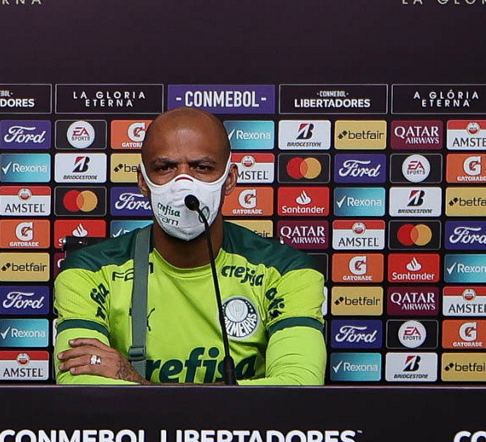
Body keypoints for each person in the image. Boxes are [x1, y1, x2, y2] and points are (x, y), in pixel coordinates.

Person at [53, 107, 326, 385]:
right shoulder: (90, 270)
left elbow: (298, 386)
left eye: (202, 167)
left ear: (230, 179)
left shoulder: (286, 270)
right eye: (165, 168)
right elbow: (79, 385)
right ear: (143, 182)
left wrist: (138, 383)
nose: (183, 184)